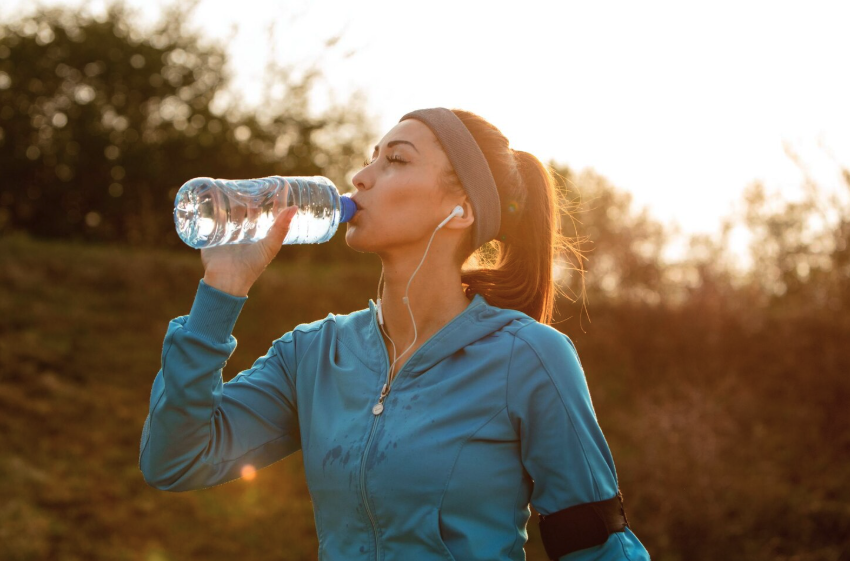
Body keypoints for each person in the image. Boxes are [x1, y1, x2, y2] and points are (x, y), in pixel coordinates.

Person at [139, 107, 651, 560]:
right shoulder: (314, 353)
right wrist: (222, 290)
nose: (360, 177)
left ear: (463, 208)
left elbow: (597, 545)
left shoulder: (528, 356)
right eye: (371, 158)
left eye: (396, 160)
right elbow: (175, 459)